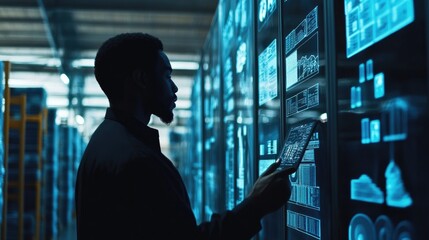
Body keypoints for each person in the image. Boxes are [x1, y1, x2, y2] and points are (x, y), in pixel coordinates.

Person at [75, 32, 293, 240]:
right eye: (166, 75)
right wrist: (256, 205)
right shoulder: (138, 161)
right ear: (141, 79)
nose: (175, 87)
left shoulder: (102, 142)